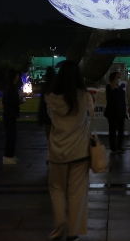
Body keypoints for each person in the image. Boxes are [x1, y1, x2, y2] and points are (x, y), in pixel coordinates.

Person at [46, 60, 91, 241]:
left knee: (57, 189)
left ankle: (60, 222)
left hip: (57, 150)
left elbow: (51, 118)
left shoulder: (51, 98)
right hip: (79, 151)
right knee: (77, 192)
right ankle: (73, 232)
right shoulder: (83, 97)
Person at [2, 69, 25, 165]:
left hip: (8, 113)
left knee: (11, 135)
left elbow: (5, 100)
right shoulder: (12, 87)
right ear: (15, 77)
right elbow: (12, 101)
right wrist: (20, 100)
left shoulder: (9, 86)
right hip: (10, 114)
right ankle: (7, 157)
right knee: (11, 136)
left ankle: (10, 155)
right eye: (17, 75)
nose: (18, 77)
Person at [104, 71, 127, 153]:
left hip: (121, 112)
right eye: (117, 78)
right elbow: (112, 87)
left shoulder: (120, 88)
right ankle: (113, 147)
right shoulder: (109, 87)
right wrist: (116, 77)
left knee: (121, 130)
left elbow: (123, 100)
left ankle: (119, 146)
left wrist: (125, 111)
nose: (119, 79)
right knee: (113, 130)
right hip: (112, 112)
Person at [39, 66, 57, 145]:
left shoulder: (45, 86)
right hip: (56, 115)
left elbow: (42, 103)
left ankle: (51, 150)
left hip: (47, 116)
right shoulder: (56, 85)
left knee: (49, 138)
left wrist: (40, 117)